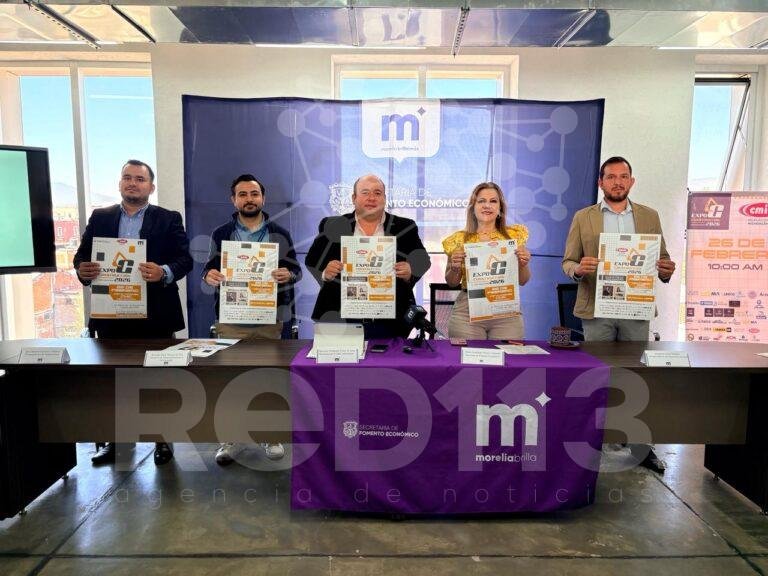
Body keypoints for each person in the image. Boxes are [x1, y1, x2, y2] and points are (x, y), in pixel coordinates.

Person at [74, 160, 193, 466]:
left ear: (151, 187)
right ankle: (115, 443)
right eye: (127, 177)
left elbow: (185, 260)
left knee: (158, 381)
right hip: (111, 314)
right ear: (119, 184)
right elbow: (82, 256)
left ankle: (162, 440)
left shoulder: (168, 218)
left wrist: (164, 271)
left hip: (156, 316)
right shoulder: (100, 217)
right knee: (115, 382)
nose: (132, 183)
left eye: (140, 179)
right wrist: (82, 269)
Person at [562, 156, 676, 474]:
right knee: (597, 378)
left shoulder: (649, 216)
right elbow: (567, 261)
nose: (617, 182)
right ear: (601, 182)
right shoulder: (584, 217)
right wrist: (577, 269)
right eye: (611, 177)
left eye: (623, 176)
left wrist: (666, 270)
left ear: (631, 181)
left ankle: (641, 446)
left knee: (637, 376)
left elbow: (662, 259)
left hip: (635, 308)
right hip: (597, 309)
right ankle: (592, 441)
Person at [202, 174, 301, 465]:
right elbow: (208, 269)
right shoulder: (221, 233)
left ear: (263, 198)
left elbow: (296, 270)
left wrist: (288, 274)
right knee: (230, 380)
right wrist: (209, 275)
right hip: (231, 317)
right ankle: (230, 438)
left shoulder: (280, 232)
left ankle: (271, 434)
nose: (249, 199)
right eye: (243, 194)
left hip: (269, 318)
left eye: (254, 194)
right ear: (234, 200)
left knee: (269, 378)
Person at [305, 174, 431, 339]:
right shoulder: (333, 225)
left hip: (391, 319)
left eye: (377, 193)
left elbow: (423, 260)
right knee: (341, 357)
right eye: (365, 192)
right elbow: (312, 259)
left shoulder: (405, 226)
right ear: (354, 198)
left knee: (388, 357)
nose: (371, 198)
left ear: (384, 198)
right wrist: (325, 272)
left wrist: (410, 270)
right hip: (339, 316)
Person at [442, 182, 531, 340]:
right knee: (467, 356)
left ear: (500, 208)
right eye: (481, 201)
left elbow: (523, 281)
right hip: (467, 312)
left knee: (508, 356)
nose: (487, 206)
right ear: (473, 207)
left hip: (505, 310)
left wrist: (523, 263)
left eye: (493, 201)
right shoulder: (458, 240)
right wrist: (455, 267)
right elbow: (452, 282)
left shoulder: (513, 237)